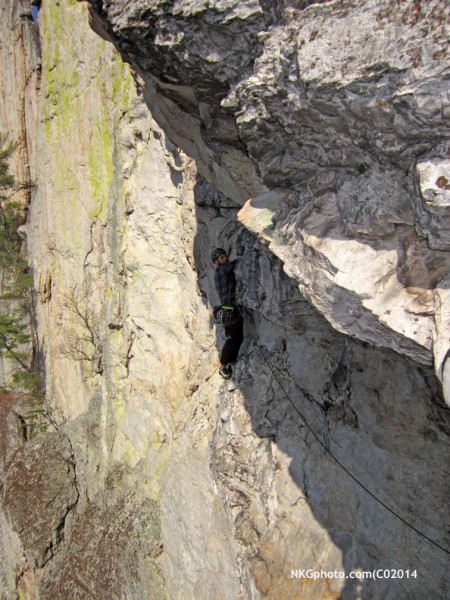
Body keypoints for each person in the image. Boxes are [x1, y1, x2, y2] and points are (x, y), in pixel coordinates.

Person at [211, 247, 244, 380]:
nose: (225, 258)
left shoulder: (222, 270)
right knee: (233, 339)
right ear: (217, 262)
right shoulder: (221, 271)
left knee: (238, 337)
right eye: (222, 258)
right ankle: (223, 366)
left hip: (231, 309)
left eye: (225, 256)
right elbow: (232, 266)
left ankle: (230, 362)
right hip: (230, 310)